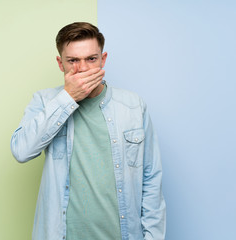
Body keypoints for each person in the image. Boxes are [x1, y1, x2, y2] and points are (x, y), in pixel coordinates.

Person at [10, 22, 166, 240]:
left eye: (91, 59)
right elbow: (21, 150)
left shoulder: (133, 106)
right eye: (73, 60)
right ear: (60, 63)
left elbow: (151, 179)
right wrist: (67, 98)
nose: (82, 68)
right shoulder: (45, 101)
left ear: (103, 59)